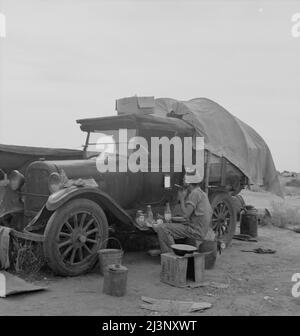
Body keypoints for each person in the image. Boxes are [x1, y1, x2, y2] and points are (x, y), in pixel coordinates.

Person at [155, 167, 213, 253]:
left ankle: (170, 254)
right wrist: (169, 218)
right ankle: (171, 250)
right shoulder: (201, 193)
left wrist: (181, 199)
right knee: (169, 224)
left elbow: (185, 215)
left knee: (162, 228)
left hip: (195, 231)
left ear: (188, 182)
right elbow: (186, 217)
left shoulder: (194, 193)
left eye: (184, 179)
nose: (183, 181)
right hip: (200, 229)